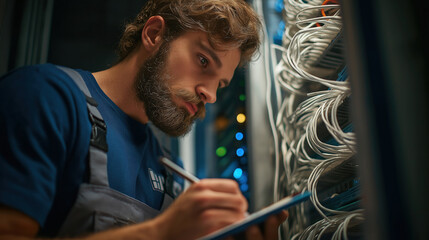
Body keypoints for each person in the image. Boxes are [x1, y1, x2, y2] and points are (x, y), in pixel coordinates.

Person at [0, 0, 288, 239]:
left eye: (220, 85)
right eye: (203, 61)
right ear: (154, 34)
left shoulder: (171, 173)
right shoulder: (45, 97)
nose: (209, 94)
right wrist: (161, 232)